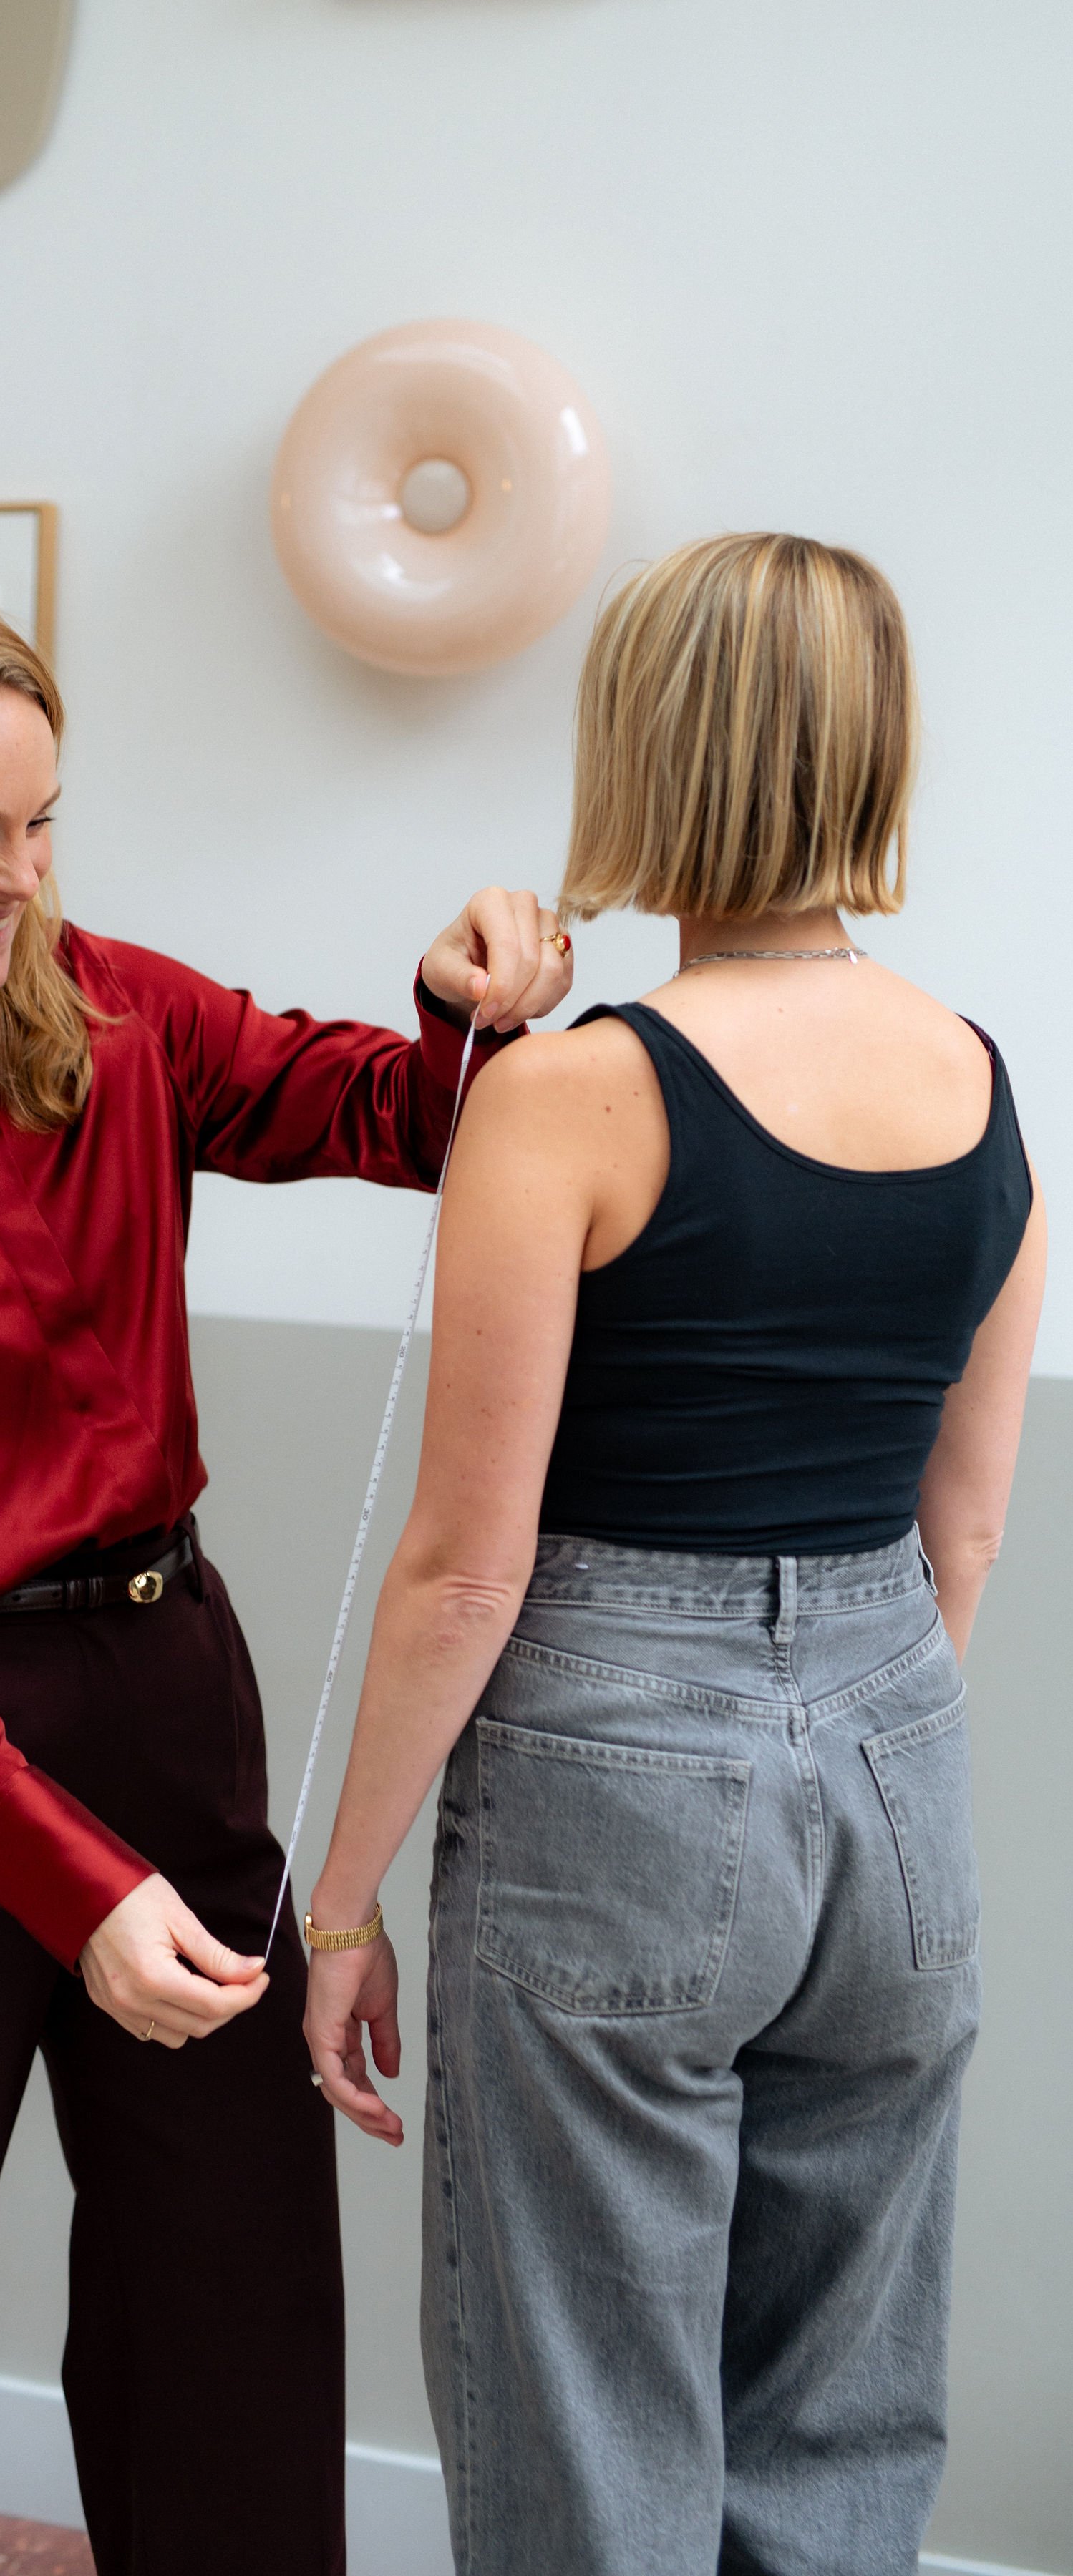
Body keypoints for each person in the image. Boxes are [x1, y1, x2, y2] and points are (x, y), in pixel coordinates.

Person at [0, 582, 573, 2576]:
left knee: (230, 2352)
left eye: (46, 822)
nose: (23, 879)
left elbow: (413, 1120)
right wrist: (75, 1890)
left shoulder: (116, 1011)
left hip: (170, 1716)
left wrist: (463, 996)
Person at [303, 532, 1045, 2575]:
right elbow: (961, 1526)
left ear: (640, 749)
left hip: (615, 1767)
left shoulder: (571, 1100)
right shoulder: (984, 1086)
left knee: (585, 2416)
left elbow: (465, 1569)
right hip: (898, 1756)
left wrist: (341, 1903)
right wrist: (840, 1742)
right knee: (837, 2414)